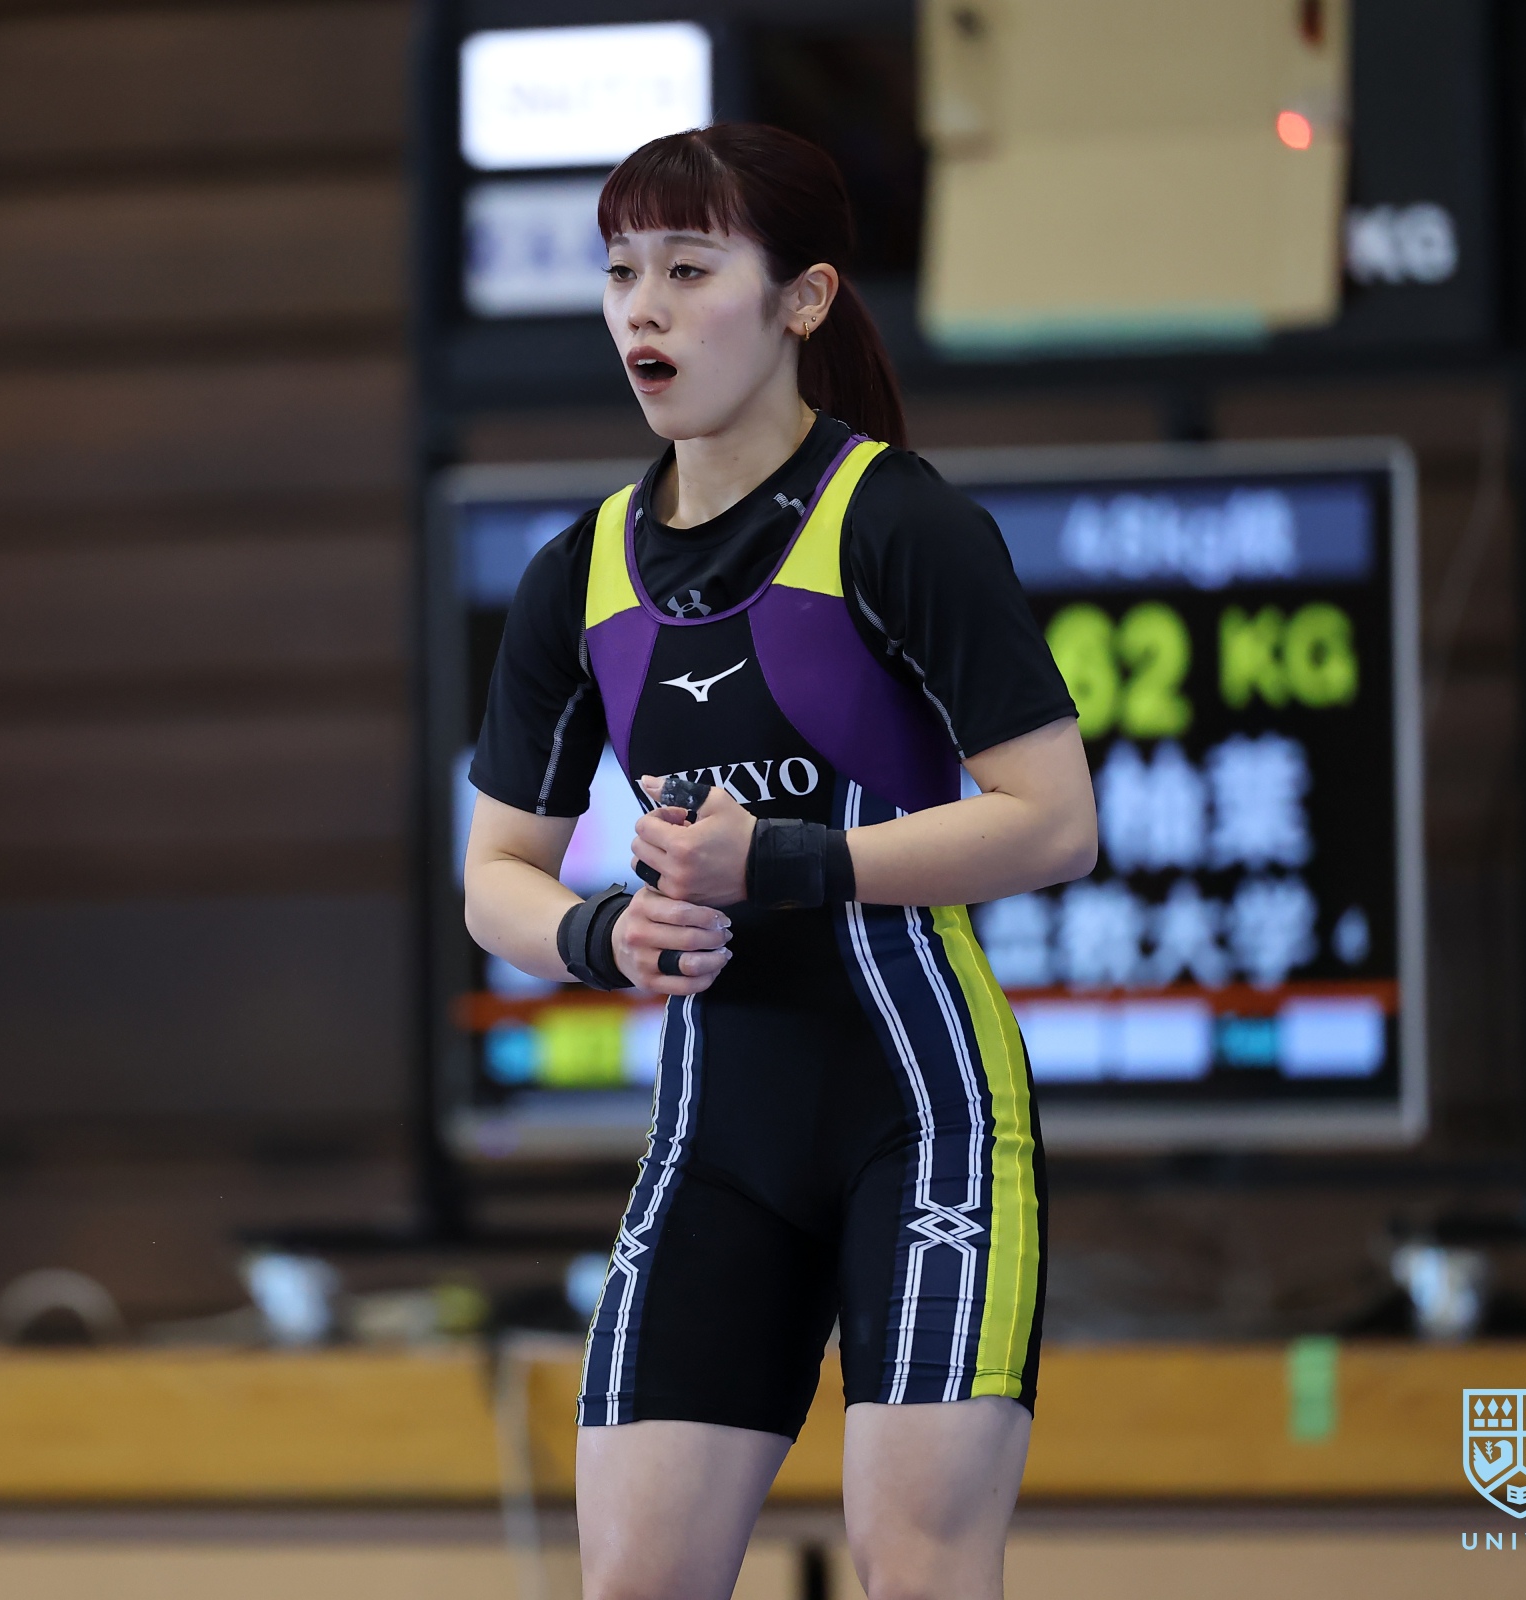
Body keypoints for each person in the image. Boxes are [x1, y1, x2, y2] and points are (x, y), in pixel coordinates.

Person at [460, 125, 1098, 1600]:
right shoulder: (578, 573)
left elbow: (1054, 820)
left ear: (804, 299)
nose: (644, 309)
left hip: (921, 1116)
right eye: (622, 273)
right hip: (715, 1141)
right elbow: (496, 871)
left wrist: (787, 860)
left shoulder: (901, 521)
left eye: (689, 271)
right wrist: (600, 934)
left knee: (915, 1568)